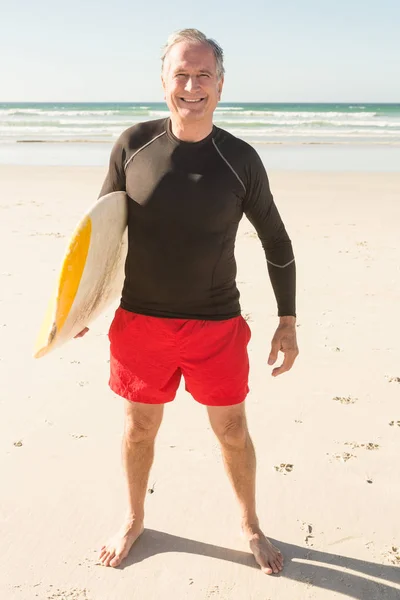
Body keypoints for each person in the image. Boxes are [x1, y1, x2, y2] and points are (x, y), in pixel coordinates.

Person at [76, 28, 298, 575]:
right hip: (140, 323)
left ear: (221, 85)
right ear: (164, 81)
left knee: (231, 430)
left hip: (216, 325)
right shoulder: (134, 145)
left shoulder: (239, 159)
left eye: (204, 75)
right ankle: (134, 517)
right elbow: (100, 234)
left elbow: (277, 240)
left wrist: (287, 321)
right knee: (139, 428)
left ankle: (249, 523)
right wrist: (79, 308)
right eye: (182, 74)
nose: (192, 85)